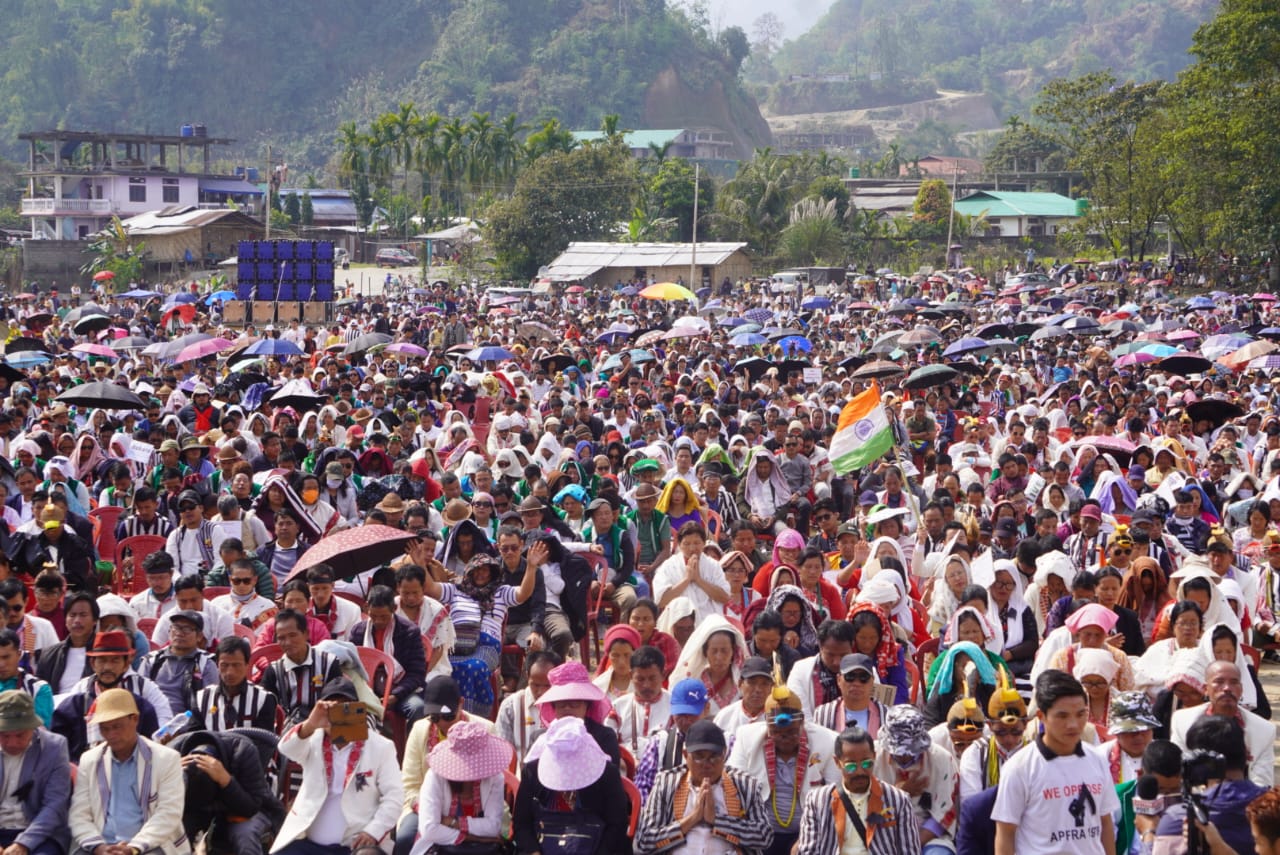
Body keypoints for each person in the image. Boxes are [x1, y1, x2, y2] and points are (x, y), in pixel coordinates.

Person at [991, 670, 1119, 855]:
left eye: (1080, 714)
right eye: (1063, 716)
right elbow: (1005, 832)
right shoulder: (1020, 768)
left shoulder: (1097, 759)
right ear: (1041, 716)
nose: (1074, 724)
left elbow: (1105, 822)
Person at [271, 677, 403, 855]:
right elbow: (285, 748)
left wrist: (372, 831)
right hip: (307, 841)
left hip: (355, 843)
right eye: (332, 709)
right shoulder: (312, 738)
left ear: (357, 710)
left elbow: (394, 797)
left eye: (345, 708)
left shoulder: (380, 746)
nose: (339, 715)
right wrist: (311, 724)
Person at [68, 688, 189, 855]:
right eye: (105, 728)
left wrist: (133, 848)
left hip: (151, 845)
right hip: (102, 845)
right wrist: (99, 847)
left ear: (135, 719)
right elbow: (79, 814)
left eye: (117, 726)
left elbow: (168, 815)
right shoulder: (89, 760)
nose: (111, 734)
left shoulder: (167, 759)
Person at [726, 684, 840, 855]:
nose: (784, 738)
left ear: (802, 722)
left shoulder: (828, 741)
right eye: (777, 732)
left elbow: (836, 798)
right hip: (760, 832)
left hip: (809, 832)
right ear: (767, 724)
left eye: (792, 732)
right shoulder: (746, 737)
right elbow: (732, 788)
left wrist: (806, 839)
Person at [635, 719, 774, 854]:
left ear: (724, 754)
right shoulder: (667, 783)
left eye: (714, 756)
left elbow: (765, 837)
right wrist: (692, 819)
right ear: (685, 755)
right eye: (698, 757)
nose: (707, 764)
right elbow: (645, 840)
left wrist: (717, 821)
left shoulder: (745, 785)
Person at [514, 716, 632, 855]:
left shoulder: (606, 773)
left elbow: (617, 824)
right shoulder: (532, 772)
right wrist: (533, 852)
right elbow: (522, 824)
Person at [794, 725, 921, 854]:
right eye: (851, 766)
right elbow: (808, 851)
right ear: (837, 762)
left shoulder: (898, 800)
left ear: (874, 757)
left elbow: (910, 851)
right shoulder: (817, 800)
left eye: (867, 764)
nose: (860, 771)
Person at [52, 630, 169, 762]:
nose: (107, 667)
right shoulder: (74, 706)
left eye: (115, 661)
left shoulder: (141, 707)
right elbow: (57, 752)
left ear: (126, 665)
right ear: (92, 664)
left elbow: (149, 750)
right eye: (101, 660)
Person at [169, 728, 285, 855]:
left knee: (244, 834)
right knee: (173, 833)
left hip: (244, 806)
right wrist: (170, 774)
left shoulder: (243, 750)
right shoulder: (172, 753)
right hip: (193, 807)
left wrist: (226, 780)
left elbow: (251, 807)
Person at [408, 721, 511, 855]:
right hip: (440, 849)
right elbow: (429, 829)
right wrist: (474, 837)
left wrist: (452, 822)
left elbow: (493, 827)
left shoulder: (495, 778)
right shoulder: (435, 777)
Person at [1171, 659, 1275, 787]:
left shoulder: (1264, 730)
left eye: (1234, 682)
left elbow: (1262, 783)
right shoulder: (1182, 721)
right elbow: (1178, 773)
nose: (1226, 688)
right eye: (1219, 682)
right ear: (1205, 689)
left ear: (1241, 689)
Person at [873, 704, 957, 855]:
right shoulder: (872, 756)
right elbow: (863, 809)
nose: (905, 756)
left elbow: (943, 813)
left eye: (911, 751)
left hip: (927, 836)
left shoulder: (941, 759)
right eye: (898, 751)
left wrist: (910, 846)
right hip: (880, 832)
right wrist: (898, 794)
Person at [0, 689, 72, 855]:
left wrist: (23, 844)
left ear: (33, 728)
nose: (12, 743)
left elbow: (55, 804)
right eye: (4, 736)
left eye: (19, 735)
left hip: (40, 833)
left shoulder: (55, 747)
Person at [345, 585, 428, 724]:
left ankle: (409, 745)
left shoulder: (409, 632)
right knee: (343, 708)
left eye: (384, 617)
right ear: (366, 608)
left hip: (400, 691)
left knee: (417, 708)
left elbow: (417, 673)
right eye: (374, 616)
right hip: (366, 690)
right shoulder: (358, 631)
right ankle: (358, 745)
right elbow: (351, 666)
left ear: (394, 609)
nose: (378, 621)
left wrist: (395, 695)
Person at [256, 609, 343, 727]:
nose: (287, 642)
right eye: (281, 638)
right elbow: (265, 710)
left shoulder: (329, 663)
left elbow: (339, 707)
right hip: (287, 734)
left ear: (306, 634)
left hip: (324, 728)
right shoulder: (274, 671)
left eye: (293, 635)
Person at [139, 609, 219, 716]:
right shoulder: (151, 661)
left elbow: (212, 704)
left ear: (199, 636)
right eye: (175, 627)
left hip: (190, 725)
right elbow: (139, 697)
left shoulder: (206, 663)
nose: (179, 633)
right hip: (153, 722)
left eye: (187, 629)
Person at [192, 636, 279, 732]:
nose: (230, 672)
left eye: (236, 665)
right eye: (224, 665)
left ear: (247, 665)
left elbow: (265, 742)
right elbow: (195, 736)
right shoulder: (202, 698)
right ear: (217, 665)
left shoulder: (263, 699)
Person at [652, 521, 730, 620]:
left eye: (697, 543)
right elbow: (660, 601)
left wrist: (699, 580)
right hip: (678, 621)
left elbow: (725, 597)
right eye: (687, 544)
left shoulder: (713, 565)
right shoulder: (668, 567)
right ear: (679, 545)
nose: (692, 548)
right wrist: (686, 579)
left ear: (704, 543)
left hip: (710, 621)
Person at [495, 650, 561, 766]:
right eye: (535, 685)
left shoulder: (565, 705)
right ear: (527, 676)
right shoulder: (510, 706)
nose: (541, 692)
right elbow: (503, 752)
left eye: (548, 685)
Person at [813, 652, 890, 737]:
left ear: (872, 681)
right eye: (850, 676)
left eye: (863, 677)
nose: (856, 683)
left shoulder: (887, 716)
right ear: (839, 680)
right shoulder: (823, 714)